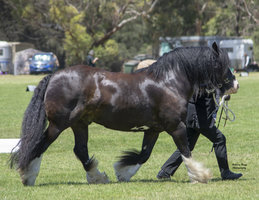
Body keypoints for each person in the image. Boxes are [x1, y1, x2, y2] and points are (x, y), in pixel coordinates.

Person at [157, 90, 243, 181]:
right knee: (219, 139)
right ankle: (225, 173)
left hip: (193, 116)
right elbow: (199, 93)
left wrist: (222, 93)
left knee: (187, 146)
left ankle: (165, 172)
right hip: (198, 118)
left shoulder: (206, 79)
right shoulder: (202, 80)